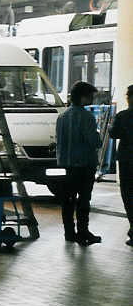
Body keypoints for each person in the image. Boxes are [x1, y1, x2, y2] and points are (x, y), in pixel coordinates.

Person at [55, 81, 102, 245]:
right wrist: (99, 136)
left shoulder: (62, 117)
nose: (92, 99)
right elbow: (95, 142)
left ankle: (69, 232)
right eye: (90, 96)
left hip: (66, 165)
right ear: (83, 98)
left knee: (67, 200)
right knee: (83, 200)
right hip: (84, 165)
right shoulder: (87, 117)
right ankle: (83, 232)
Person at [108, 84, 133, 247]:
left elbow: (113, 134)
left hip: (127, 160)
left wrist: (111, 125)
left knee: (128, 195)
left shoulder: (123, 116)